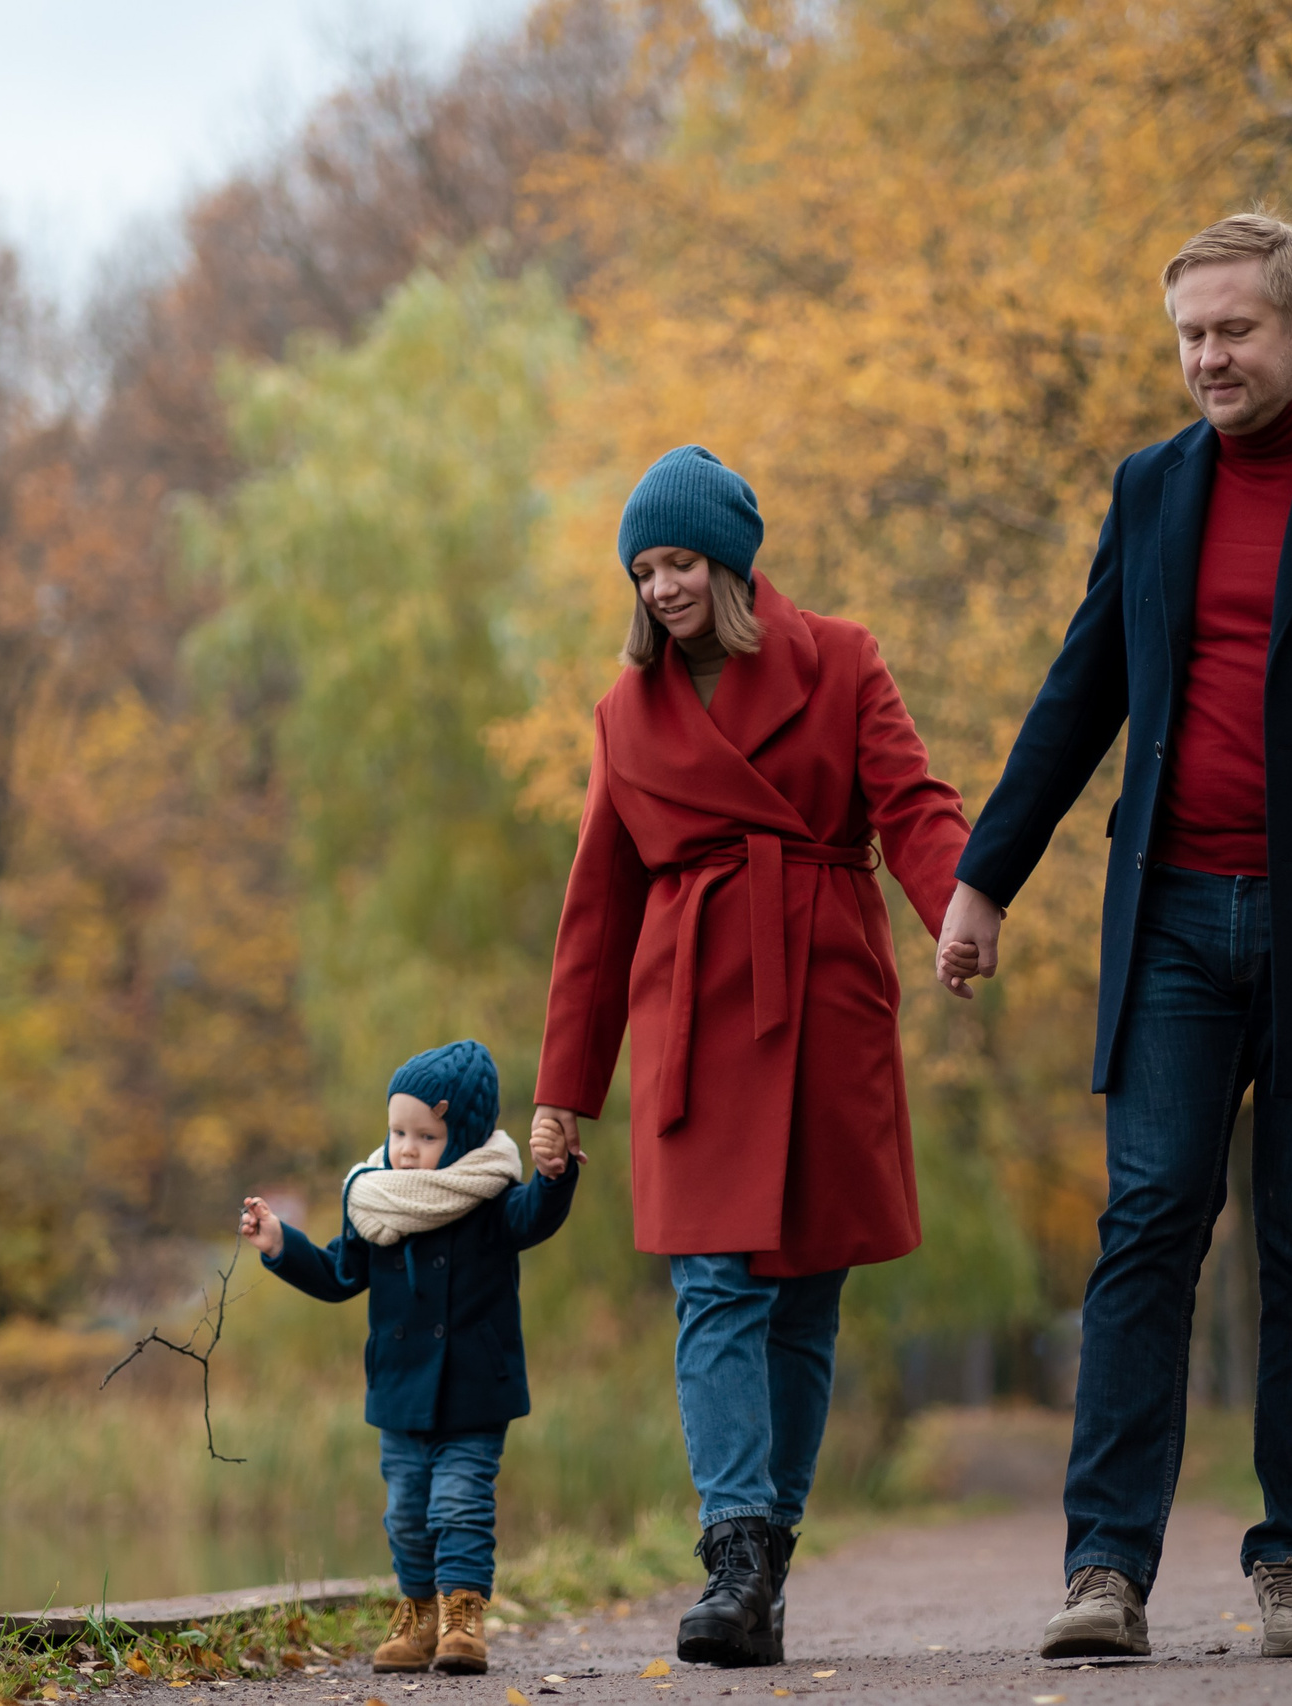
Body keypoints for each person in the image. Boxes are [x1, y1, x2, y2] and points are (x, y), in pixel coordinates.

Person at [933, 213, 1292, 1660]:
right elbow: (1080, 697)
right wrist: (984, 874)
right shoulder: (1150, 491)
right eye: (1191, 334)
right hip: (1176, 920)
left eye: (1234, 330)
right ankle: (1106, 1570)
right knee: (1147, 1224)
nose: (1208, 357)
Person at [532, 445, 969, 1668]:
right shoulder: (627, 713)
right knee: (712, 1283)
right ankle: (733, 1550)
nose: (660, 587)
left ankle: (767, 1557)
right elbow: (595, 911)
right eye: (642, 570)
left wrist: (956, 909)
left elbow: (913, 801)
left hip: (823, 994)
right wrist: (564, 1091)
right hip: (694, 1014)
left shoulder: (842, 657)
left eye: (676, 562)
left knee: (805, 1294)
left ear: (728, 559)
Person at [239, 1040, 580, 1677]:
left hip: (474, 1390)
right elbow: (342, 1274)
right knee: (405, 1515)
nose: (406, 1148)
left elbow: (535, 1216)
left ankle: (461, 1615)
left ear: (464, 1134)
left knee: (460, 1504)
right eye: (398, 1131)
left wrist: (555, 1176)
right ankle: (419, 1612)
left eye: (425, 1135)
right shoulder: (376, 1200)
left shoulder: (490, 1199)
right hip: (399, 1391)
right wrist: (282, 1245)